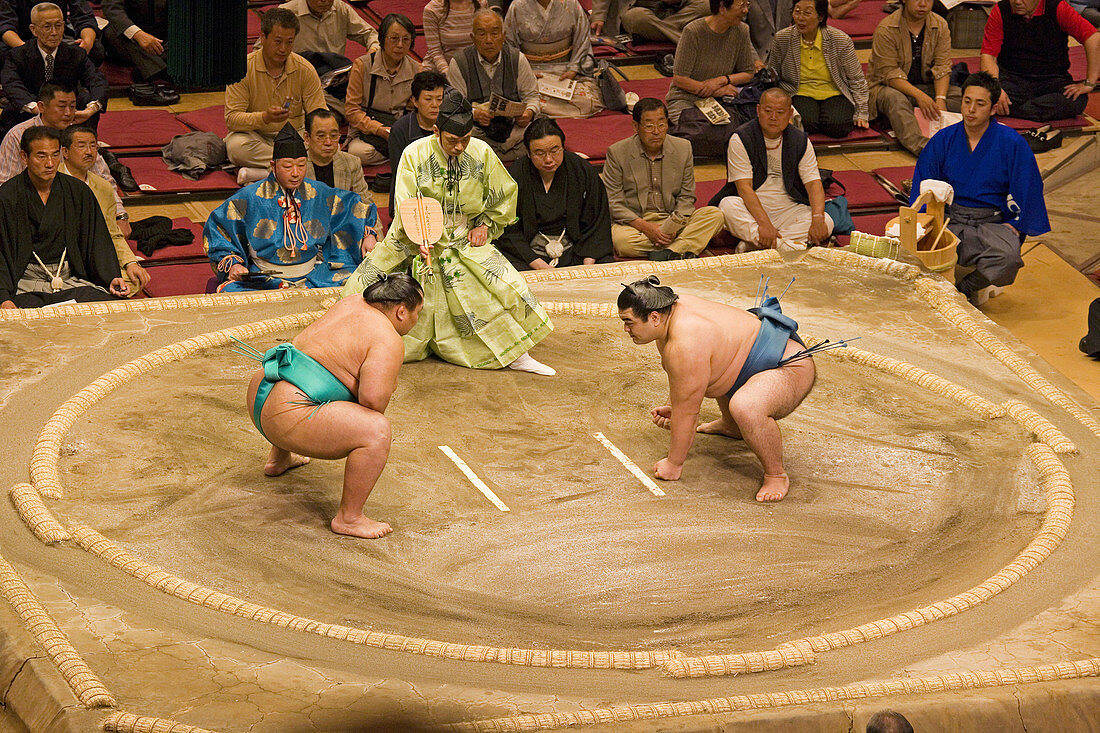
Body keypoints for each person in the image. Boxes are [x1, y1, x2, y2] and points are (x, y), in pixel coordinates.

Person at [340, 90, 556, 376]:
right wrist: (421, 238)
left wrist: (485, 225)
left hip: (462, 236)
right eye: (452, 141)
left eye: (465, 140)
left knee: (504, 283)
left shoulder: (481, 152)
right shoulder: (414, 154)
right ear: (436, 130)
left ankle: (514, 353)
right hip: (414, 235)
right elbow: (405, 202)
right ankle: (355, 349)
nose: (458, 147)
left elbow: (504, 193)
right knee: (364, 287)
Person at [244, 273, 423, 539]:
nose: (418, 319)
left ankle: (278, 459)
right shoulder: (388, 338)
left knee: (317, 378)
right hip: (287, 416)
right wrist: (389, 384)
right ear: (400, 312)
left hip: (261, 390)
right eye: (417, 312)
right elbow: (372, 402)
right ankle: (350, 518)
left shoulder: (351, 301)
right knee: (376, 431)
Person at [618, 275, 816, 501]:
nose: (625, 329)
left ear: (654, 317)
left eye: (629, 321)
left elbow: (688, 412)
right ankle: (731, 426)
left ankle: (776, 474)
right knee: (719, 369)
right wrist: (673, 404)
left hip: (788, 367)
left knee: (746, 406)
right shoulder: (670, 311)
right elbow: (684, 379)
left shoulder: (685, 342)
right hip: (753, 366)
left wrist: (674, 463)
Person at [911, 72, 1050, 306]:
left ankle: (964, 289)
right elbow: (924, 182)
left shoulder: (1012, 142)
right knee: (912, 248)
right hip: (948, 218)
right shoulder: (944, 139)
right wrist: (923, 220)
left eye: (980, 103)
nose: (971, 109)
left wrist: (1016, 224)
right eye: (967, 101)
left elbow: (1028, 187)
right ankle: (941, 290)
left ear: (993, 108)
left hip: (991, 222)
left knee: (1008, 258)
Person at [205, 124, 373, 292]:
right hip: (265, 279)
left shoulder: (318, 192)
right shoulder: (250, 196)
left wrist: (368, 234)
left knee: (360, 283)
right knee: (232, 292)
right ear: (273, 165)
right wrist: (234, 264)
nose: (295, 173)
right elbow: (219, 227)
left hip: (313, 276)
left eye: (301, 165)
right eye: (287, 166)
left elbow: (355, 208)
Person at [0, 126, 129, 308]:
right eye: (41, 156)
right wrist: (3, 297)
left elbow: (96, 240)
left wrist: (110, 277)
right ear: (24, 157)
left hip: (70, 278)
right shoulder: (7, 196)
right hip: (25, 283)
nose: (50, 163)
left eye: (55, 154)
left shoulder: (78, 191)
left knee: (114, 309)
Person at [602, 97, 725, 260]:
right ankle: (683, 247)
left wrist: (675, 224)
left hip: (672, 218)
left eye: (661, 124)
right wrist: (647, 228)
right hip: (636, 222)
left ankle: (669, 252)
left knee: (714, 215)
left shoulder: (683, 148)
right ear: (635, 127)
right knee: (622, 242)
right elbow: (614, 202)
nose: (656, 131)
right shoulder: (617, 153)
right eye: (649, 125)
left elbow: (687, 196)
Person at [716, 87, 834, 249]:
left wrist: (818, 218)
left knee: (827, 220)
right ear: (758, 110)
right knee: (727, 206)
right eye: (768, 111)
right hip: (753, 208)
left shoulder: (800, 140)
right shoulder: (741, 138)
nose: (773, 117)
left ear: (790, 113)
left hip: (788, 208)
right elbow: (744, 188)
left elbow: (813, 183)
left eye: (780, 112)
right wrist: (764, 224)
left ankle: (757, 244)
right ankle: (784, 246)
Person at [0, 84, 128, 229]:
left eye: (72, 107)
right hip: (31, 215)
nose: (68, 113)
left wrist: (120, 214)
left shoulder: (78, 135)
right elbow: (5, 186)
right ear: (41, 107)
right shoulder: (17, 136)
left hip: (78, 213)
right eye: (61, 107)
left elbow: (103, 179)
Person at [224, 7, 326, 183]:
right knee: (235, 146)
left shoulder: (305, 68)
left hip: (295, 136)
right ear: (263, 37)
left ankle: (263, 174)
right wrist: (264, 117)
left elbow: (319, 113)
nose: (283, 49)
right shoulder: (242, 68)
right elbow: (232, 119)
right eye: (277, 41)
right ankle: (295, 168)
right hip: (256, 135)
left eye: (289, 42)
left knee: (325, 146)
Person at [499, 118, 614, 270]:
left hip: (576, 249)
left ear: (563, 147)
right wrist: (536, 263)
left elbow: (597, 219)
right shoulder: (516, 175)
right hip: (529, 253)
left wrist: (587, 266)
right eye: (539, 153)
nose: (548, 159)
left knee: (606, 267)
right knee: (505, 270)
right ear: (528, 153)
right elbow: (508, 227)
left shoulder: (581, 169)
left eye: (554, 151)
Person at [59, 125, 150, 295]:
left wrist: (130, 262)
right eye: (81, 146)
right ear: (65, 152)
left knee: (133, 280)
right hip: (59, 257)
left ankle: (88, 291)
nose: (89, 151)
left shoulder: (103, 187)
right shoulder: (51, 181)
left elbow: (112, 232)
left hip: (92, 255)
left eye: (93, 146)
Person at [980, 0, 1100, 122]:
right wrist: (996, 87)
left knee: (1077, 99)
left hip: (1052, 79)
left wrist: (1089, 83)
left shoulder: (1057, 7)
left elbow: (1093, 38)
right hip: (1012, 79)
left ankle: (1011, 109)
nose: (1017, 2)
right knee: (982, 90)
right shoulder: (1001, 10)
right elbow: (989, 55)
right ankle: (1031, 110)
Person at [867, 0, 960, 155]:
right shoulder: (886, 28)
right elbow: (889, 74)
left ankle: (908, 116)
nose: (923, 4)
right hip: (887, 87)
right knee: (895, 99)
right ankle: (927, 150)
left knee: (961, 96)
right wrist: (920, 96)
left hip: (923, 87)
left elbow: (943, 67)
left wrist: (940, 98)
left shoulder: (940, 25)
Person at [666, 0, 756, 156]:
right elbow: (680, 79)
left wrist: (722, 80)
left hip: (722, 101)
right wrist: (716, 91)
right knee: (704, 132)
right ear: (722, 7)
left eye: (747, 4)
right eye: (741, 5)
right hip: (686, 99)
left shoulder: (742, 30)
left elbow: (748, 72)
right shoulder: (693, 31)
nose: (746, 10)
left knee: (736, 131)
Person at [0, 2, 107, 134]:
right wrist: (38, 109)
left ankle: (84, 144)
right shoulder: (17, 55)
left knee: (85, 100)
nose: (54, 33)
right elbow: (12, 85)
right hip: (31, 111)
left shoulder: (75, 53)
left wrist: (92, 108)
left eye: (58, 26)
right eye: (47, 27)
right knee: (13, 108)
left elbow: (97, 80)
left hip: (66, 111)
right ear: (33, 30)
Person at [446, 9, 539, 161]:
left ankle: (492, 157)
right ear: (473, 38)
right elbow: (455, 105)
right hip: (477, 130)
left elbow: (532, 96)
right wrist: (475, 114)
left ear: (503, 36)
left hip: (515, 129)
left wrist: (529, 112)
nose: (489, 40)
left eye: (494, 33)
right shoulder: (459, 62)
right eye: (482, 34)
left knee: (541, 130)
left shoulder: (517, 58)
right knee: (456, 132)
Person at [767, 0, 869, 138]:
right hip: (799, 91)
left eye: (807, 13)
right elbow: (773, 74)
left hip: (834, 92)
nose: (801, 18)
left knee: (837, 126)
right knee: (806, 123)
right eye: (797, 12)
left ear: (820, 17)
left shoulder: (840, 40)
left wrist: (861, 112)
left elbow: (856, 79)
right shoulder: (783, 38)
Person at [504, 0, 602, 118]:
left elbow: (582, 40)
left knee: (589, 100)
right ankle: (534, 108)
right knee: (516, 96)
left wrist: (573, 69)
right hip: (531, 71)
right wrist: (526, 72)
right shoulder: (517, 6)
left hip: (565, 69)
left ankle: (535, 110)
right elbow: (509, 45)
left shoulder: (571, 3)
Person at [345, 13, 418, 167]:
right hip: (368, 130)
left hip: (400, 128)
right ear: (382, 39)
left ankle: (399, 152)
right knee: (358, 154)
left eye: (406, 40)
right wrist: (379, 129)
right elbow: (352, 111)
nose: (400, 45)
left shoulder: (417, 69)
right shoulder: (362, 65)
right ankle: (400, 155)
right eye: (394, 38)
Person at [387, 70, 446, 217]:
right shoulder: (400, 130)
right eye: (428, 99)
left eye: (439, 99)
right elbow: (401, 175)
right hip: (411, 196)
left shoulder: (450, 126)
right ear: (415, 101)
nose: (435, 105)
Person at [101, 0, 180, 105]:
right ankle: (162, 72)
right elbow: (112, 9)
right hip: (130, 37)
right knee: (113, 31)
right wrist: (138, 34)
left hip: (163, 39)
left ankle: (148, 69)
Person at [0, 0, 100, 65]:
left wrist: (87, 42)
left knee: (96, 51)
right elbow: (5, 25)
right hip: (22, 40)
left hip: (57, 37)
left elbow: (85, 18)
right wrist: (27, 50)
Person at [303, 108, 370, 199]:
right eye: (321, 136)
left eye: (333, 136)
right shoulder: (296, 167)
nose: (328, 142)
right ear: (307, 138)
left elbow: (365, 203)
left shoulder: (352, 163)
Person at [277, 0, 377, 56]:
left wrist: (372, 52)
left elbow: (370, 34)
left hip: (335, 77)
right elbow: (266, 48)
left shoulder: (341, 9)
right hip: (299, 76)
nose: (324, 1)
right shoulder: (286, 12)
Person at [590, 0, 710, 45]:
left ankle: (654, 33)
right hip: (634, 11)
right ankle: (688, 44)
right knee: (636, 16)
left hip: (670, 15)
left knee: (707, 5)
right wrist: (599, 15)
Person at [422, 0, 484, 74]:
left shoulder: (481, 4)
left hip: (473, 70)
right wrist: (449, 74)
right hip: (440, 71)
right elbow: (435, 51)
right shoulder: (433, 9)